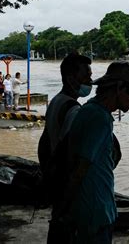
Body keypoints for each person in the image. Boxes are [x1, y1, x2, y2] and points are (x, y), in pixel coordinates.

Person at [59, 61, 129, 243]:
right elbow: (80, 169)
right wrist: (63, 209)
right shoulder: (99, 119)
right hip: (94, 213)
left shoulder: (91, 110)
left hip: (94, 210)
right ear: (121, 88)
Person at [36, 52, 92, 243]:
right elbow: (71, 157)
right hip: (65, 183)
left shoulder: (55, 101)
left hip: (55, 179)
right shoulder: (74, 110)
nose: (90, 82)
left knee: (58, 228)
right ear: (70, 78)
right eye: (86, 76)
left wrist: (46, 174)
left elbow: (44, 143)